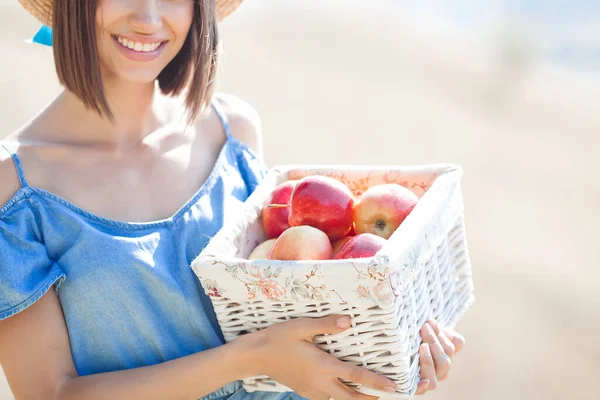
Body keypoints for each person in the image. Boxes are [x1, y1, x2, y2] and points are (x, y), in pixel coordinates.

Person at [0, 1, 465, 399]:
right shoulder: (13, 191)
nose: (148, 17)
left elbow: (291, 319)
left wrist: (384, 361)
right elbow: (50, 392)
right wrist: (251, 357)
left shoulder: (232, 131)